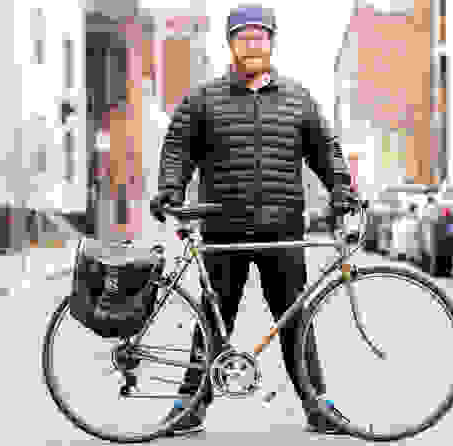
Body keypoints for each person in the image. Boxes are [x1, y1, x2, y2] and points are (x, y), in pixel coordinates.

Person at [150, 3, 358, 436]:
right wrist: (170, 188)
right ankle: (189, 406)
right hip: (222, 229)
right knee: (211, 320)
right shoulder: (203, 99)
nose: (252, 45)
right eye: (243, 38)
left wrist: (341, 189)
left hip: (283, 231)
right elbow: (177, 149)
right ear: (231, 45)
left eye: (259, 37)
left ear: (271, 42)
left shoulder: (299, 100)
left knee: (295, 321)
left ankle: (319, 405)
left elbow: (327, 151)